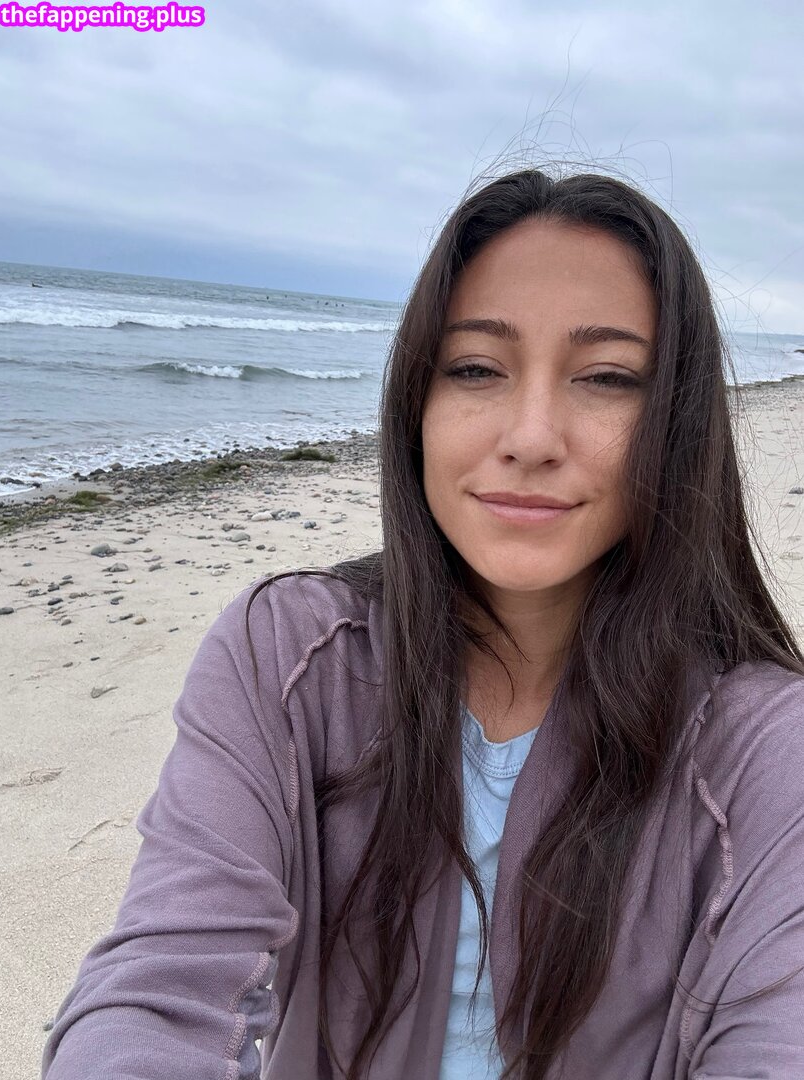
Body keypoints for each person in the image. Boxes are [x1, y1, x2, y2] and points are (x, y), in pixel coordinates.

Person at [41, 167, 804, 1080]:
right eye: (476, 368)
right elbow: (160, 987)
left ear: (677, 423)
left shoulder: (762, 746)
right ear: (417, 401)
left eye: (606, 378)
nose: (531, 437)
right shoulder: (289, 658)